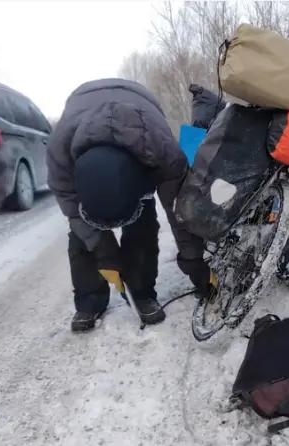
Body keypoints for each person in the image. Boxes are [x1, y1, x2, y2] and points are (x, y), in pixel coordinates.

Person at [47, 78, 211, 332]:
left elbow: (179, 209)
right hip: (81, 101)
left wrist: (195, 261)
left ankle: (141, 292)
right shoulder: (61, 154)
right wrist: (104, 250)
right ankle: (89, 301)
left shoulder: (162, 151)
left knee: (142, 225)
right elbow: (73, 211)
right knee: (82, 236)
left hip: (140, 105)